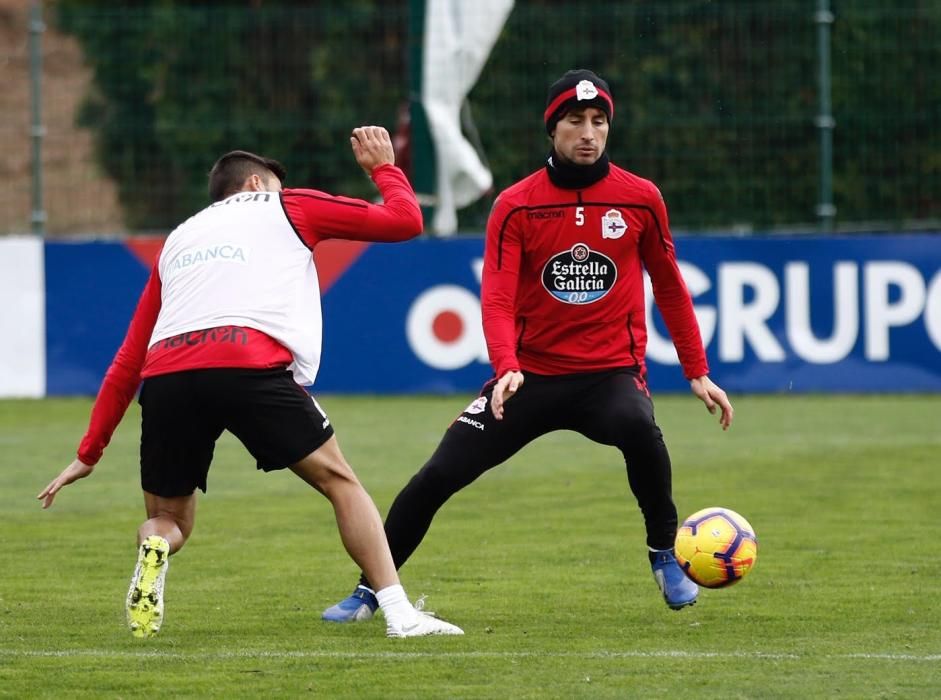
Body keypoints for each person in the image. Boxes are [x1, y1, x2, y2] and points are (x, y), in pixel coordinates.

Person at [322, 70, 734, 624]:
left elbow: (670, 285)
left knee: (639, 427)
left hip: (609, 375)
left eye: (598, 121)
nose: (588, 133)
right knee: (438, 475)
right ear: (552, 128)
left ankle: (664, 554)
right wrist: (507, 367)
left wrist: (697, 370)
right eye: (574, 121)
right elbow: (495, 297)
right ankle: (372, 589)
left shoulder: (641, 199)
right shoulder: (516, 205)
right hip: (529, 377)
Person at [38, 126, 463, 639]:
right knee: (340, 481)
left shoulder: (177, 240)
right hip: (247, 361)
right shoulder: (287, 206)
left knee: (169, 520)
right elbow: (405, 221)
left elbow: (128, 358)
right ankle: (399, 613)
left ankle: (154, 549)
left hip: (168, 374)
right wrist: (383, 169)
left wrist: (89, 452)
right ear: (258, 184)